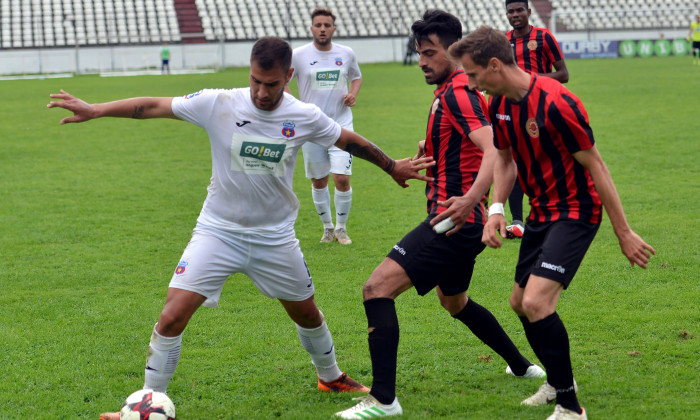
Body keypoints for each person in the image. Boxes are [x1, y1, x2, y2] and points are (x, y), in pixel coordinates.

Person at [47, 36, 434, 420]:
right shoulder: (219, 102)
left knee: (306, 313)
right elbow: (153, 105)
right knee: (172, 315)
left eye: (272, 84)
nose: (262, 92)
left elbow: (348, 139)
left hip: (275, 237)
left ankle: (330, 377)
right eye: (255, 81)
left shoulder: (303, 115)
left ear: (289, 76)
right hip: (218, 232)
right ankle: (149, 400)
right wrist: (96, 109)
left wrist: (392, 166)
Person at [335, 11, 544, 419]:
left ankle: (383, 400)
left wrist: (470, 201)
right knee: (454, 301)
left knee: (376, 289)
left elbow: (494, 152)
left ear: (451, 50)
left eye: (429, 53)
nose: (421, 62)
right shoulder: (452, 91)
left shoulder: (458, 93)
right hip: (458, 221)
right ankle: (522, 366)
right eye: (419, 53)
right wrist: (423, 159)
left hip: (452, 223)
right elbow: (467, 146)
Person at [450, 26, 655, 420]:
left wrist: (624, 232)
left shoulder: (557, 102)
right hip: (542, 212)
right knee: (518, 304)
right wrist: (495, 211)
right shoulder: (499, 105)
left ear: (494, 65)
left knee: (536, 301)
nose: (472, 84)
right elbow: (505, 161)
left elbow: (596, 165)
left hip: (577, 210)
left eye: (474, 75)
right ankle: (559, 383)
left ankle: (570, 407)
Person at [288, 8, 362, 245]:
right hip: (311, 127)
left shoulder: (346, 53)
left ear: (333, 29)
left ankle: (341, 228)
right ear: (311, 28)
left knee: (341, 178)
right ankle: (327, 228)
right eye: (318, 25)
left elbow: (356, 77)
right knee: (319, 181)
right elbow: (282, 82)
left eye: (326, 25)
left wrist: (353, 93)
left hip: (341, 124)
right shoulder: (298, 55)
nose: (322, 29)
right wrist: (296, 106)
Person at [503, 0, 569, 239]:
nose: (515, 14)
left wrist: (530, 79)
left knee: (544, 161)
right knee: (514, 162)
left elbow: (563, 74)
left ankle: (555, 214)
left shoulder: (544, 37)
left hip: (541, 108)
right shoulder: (504, 41)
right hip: (513, 110)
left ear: (529, 12)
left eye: (519, 10)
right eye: (511, 11)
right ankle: (518, 222)